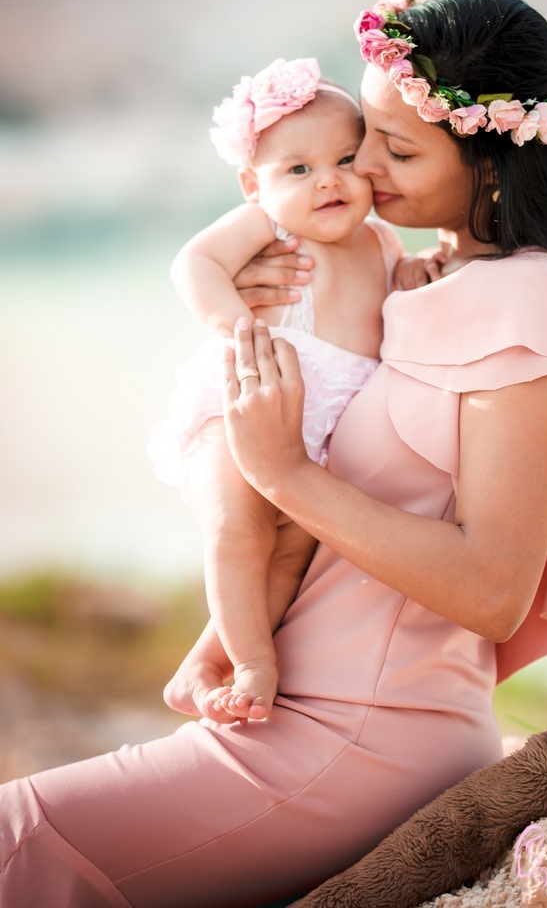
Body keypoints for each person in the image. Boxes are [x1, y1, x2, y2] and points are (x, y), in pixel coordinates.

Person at [0, 0, 547, 908]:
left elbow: (492, 590)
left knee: (17, 841)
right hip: (297, 712)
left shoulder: (534, 305)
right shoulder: (414, 279)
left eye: (393, 150)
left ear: (493, 162)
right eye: (359, 144)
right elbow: (329, 535)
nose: (360, 173)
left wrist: (281, 470)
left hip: (367, 736)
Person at [148, 55, 418, 723]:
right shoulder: (272, 228)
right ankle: (252, 664)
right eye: (299, 170)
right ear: (253, 185)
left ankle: (203, 663)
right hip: (241, 404)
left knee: (293, 550)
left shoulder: (383, 243)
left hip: (313, 439)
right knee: (238, 530)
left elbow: (399, 301)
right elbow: (196, 262)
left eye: (346, 159)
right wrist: (234, 324)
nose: (328, 181)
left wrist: (419, 276)